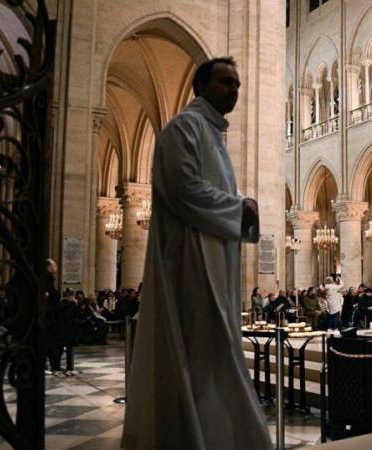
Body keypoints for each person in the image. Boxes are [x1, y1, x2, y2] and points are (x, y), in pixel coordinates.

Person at [122, 57, 271, 449]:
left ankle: (211, 437)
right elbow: (184, 189)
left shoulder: (213, 135)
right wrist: (239, 208)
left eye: (237, 84)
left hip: (213, 265)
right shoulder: (184, 128)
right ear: (201, 87)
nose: (234, 90)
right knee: (195, 354)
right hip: (189, 266)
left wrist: (238, 208)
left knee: (211, 357)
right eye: (225, 82)